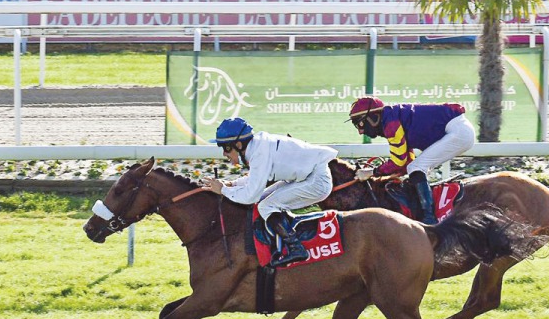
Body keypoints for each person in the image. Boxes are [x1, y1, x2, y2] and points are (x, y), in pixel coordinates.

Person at [203, 117, 337, 267]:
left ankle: (296, 248)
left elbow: (250, 196)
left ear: (239, 144)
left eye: (226, 148)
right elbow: (256, 178)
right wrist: (232, 184)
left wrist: (223, 190)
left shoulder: (259, 154)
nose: (224, 154)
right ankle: (280, 241)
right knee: (264, 200)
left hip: (315, 182)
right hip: (306, 177)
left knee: (265, 206)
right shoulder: (258, 147)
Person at [347, 97, 477, 225]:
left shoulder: (391, 123)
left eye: (360, 124)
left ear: (372, 117)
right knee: (415, 167)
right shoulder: (393, 117)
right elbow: (406, 163)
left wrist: (371, 172)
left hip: (459, 132)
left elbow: (399, 161)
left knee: (417, 168)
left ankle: (429, 219)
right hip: (459, 129)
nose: (360, 131)